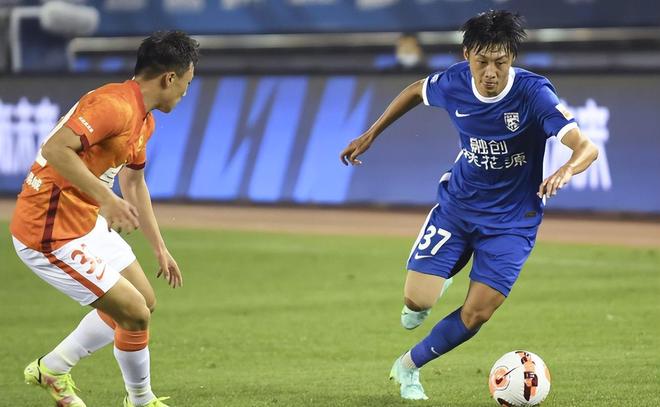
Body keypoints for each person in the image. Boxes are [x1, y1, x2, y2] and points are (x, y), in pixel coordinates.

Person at [340, 10, 598, 401]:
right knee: (416, 302)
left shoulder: (534, 94)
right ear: (466, 56)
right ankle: (440, 277)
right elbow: (416, 90)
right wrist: (371, 133)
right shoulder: (454, 82)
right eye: (482, 62)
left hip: (513, 220)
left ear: (512, 58)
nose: (491, 72)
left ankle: (408, 367)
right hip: (459, 206)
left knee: (477, 313)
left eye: (500, 62)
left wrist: (567, 169)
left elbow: (587, 147)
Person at [10, 30, 199, 407]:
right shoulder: (113, 105)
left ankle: (53, 368)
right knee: (133, 313)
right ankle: (140, 400)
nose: (185, 92)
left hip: (83, 219)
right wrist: (106, 200)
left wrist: (159, 248)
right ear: (170, 78)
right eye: (187, 83)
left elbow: (134, 182)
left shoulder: (143, 119)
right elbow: (55, 149)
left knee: (144, 301)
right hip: (48, 230)